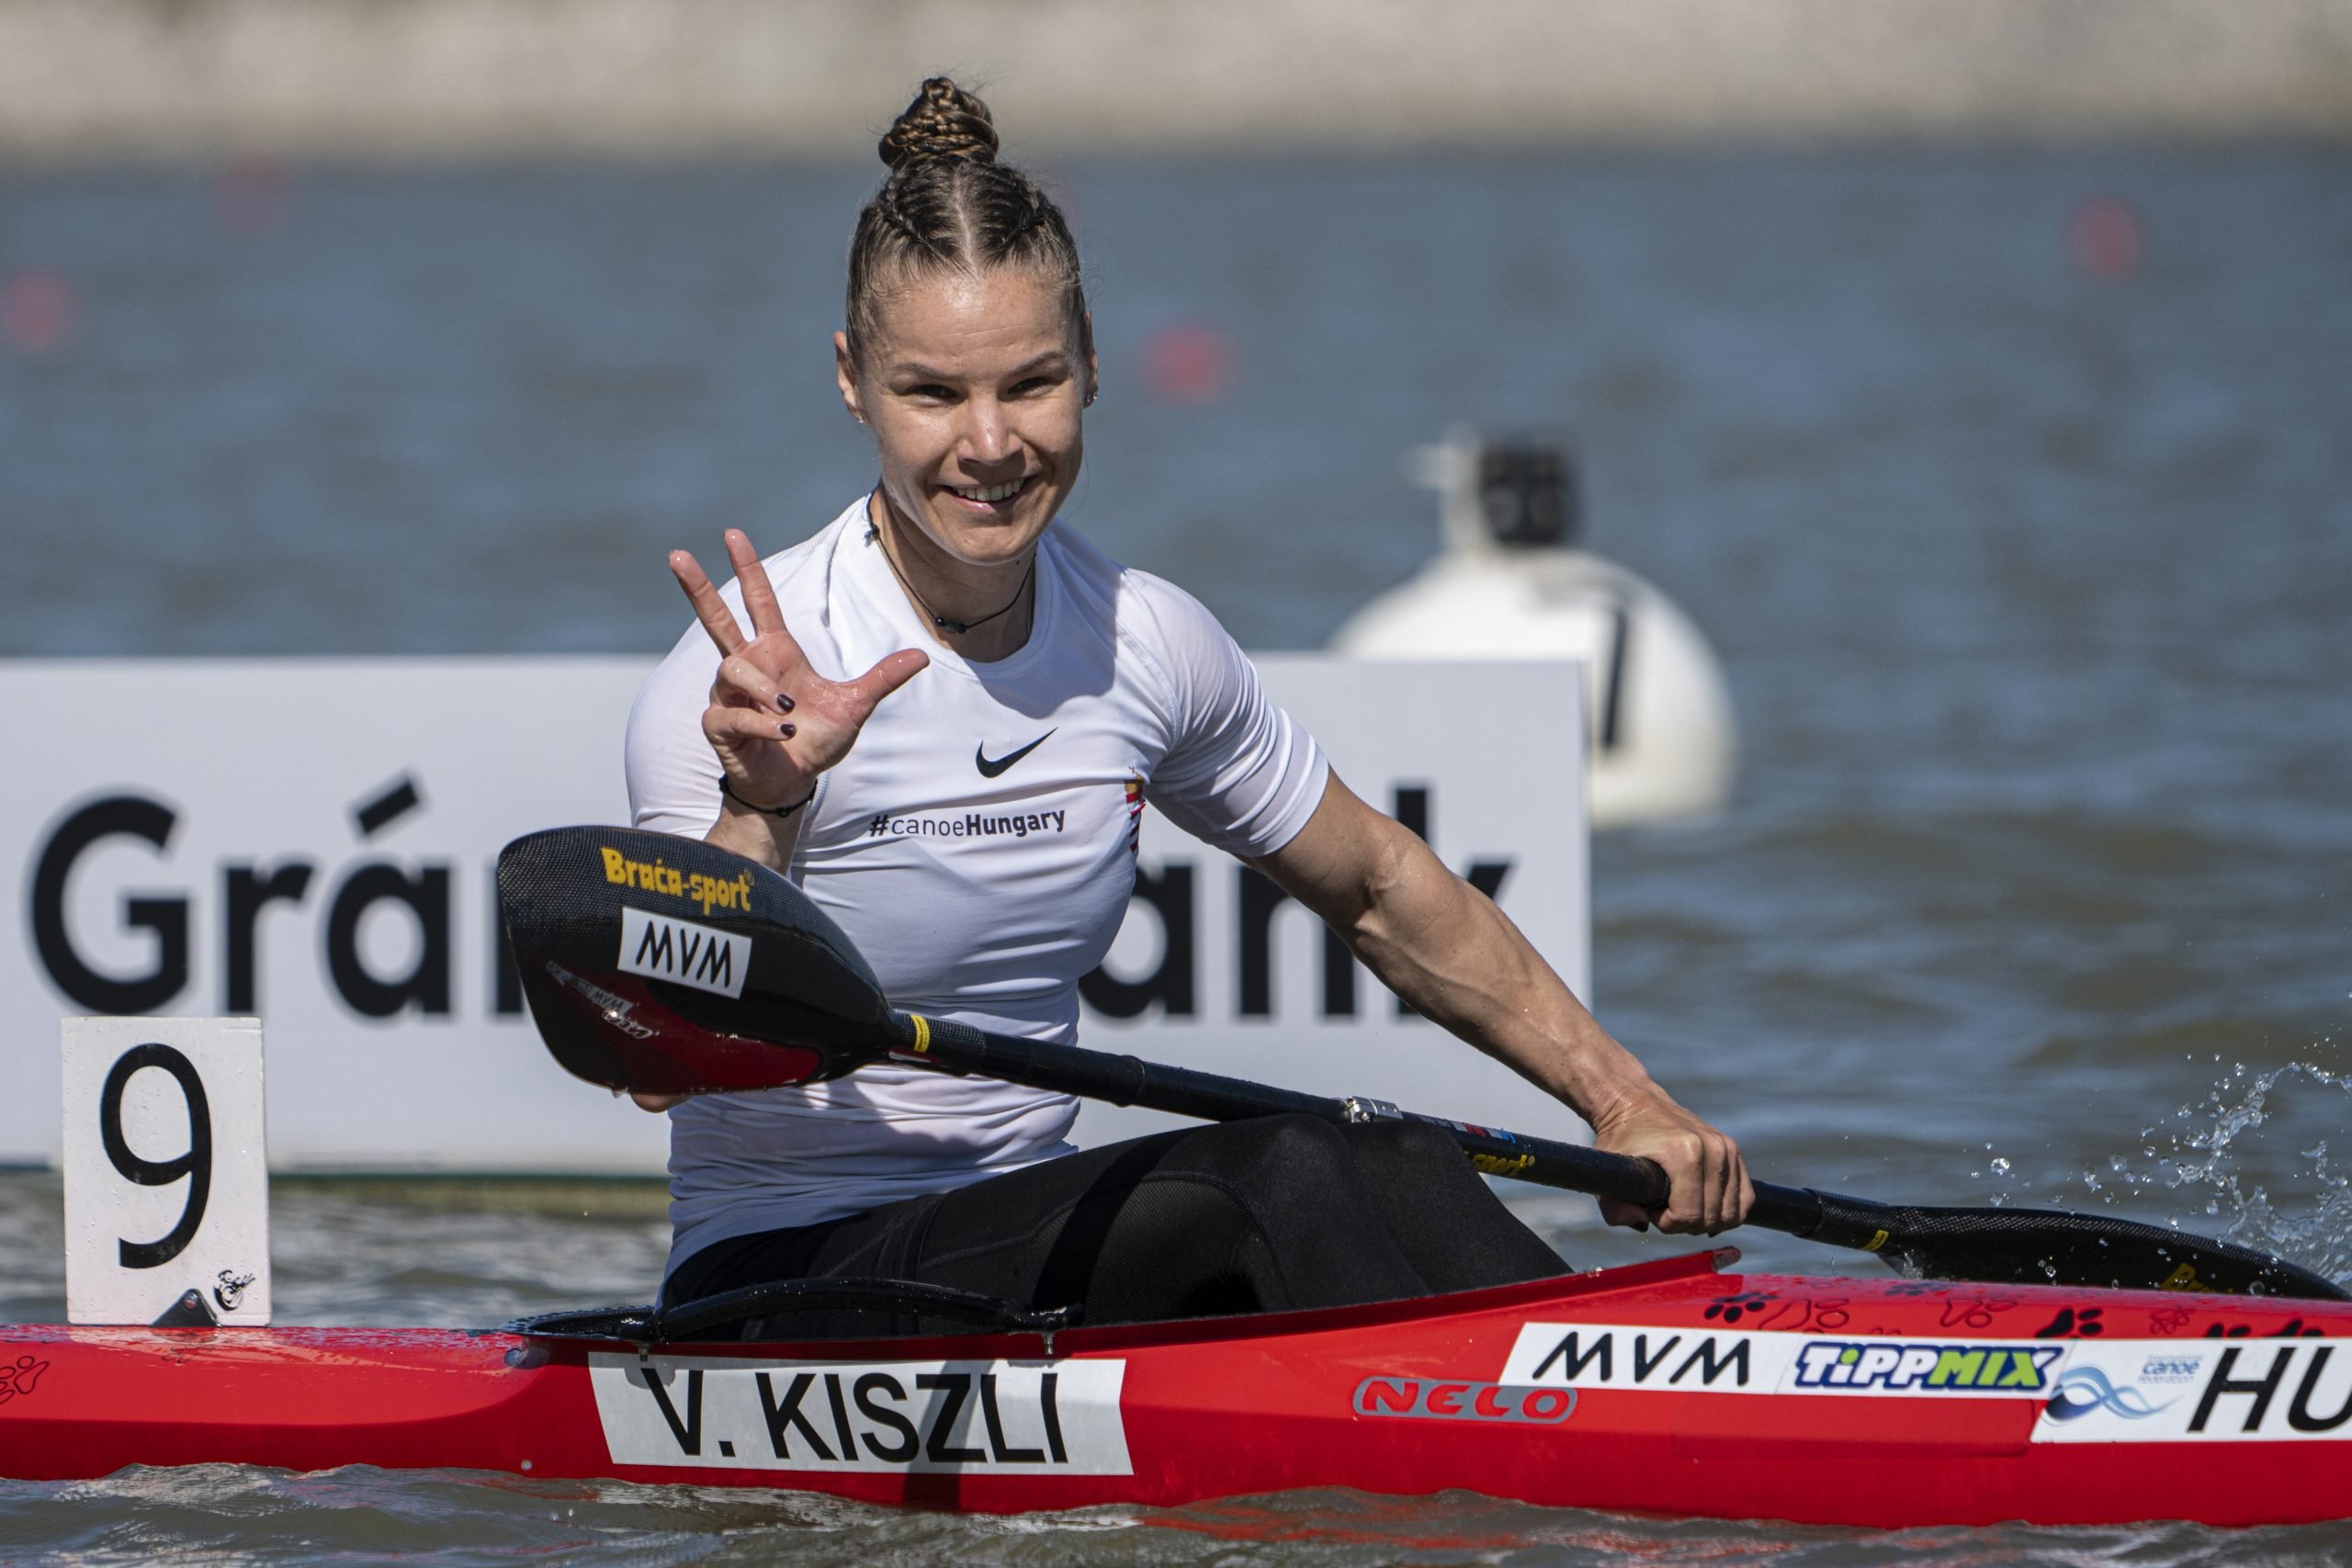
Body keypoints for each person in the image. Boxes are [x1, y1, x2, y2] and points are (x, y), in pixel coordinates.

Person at [625, 78, 1750, 1330]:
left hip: (1023, 1251)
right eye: (933, 393)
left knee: (1393, 1148)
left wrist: (1621, 1097)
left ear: (1096, 365)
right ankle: (1590, 1428)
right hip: (779, 1278)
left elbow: (1376, 884)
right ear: (852, 381)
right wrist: (763, 808)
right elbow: (664, 1069)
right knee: (1280, 1169)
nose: (990, 445)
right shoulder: (748, 669)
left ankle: (1641, 1371)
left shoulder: (1143, 639)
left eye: (1033, 383)